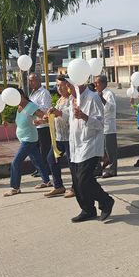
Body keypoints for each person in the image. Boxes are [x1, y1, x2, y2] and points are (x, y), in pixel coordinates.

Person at [68, 80, 115, 222]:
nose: (64, 88)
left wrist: (84, 116)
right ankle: (88, 209)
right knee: (77, 182)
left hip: (90, 145)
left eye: (67, 85)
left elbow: (100, 124)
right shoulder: (72, 100)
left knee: (84, 180)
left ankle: (106, 201)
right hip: (75, 146)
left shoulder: (93, 98)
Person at [4, 88, 50, 197]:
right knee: (37, 161)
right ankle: (47, 181)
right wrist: (9, 125)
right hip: (24, 139)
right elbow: (20, 124)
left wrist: (40, 121)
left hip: (29, 139)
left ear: (22, 95)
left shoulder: (30, 106)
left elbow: (45, 117)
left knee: (16, 162)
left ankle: (15, 188)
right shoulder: (19, 107)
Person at [44, 76, 72, 197]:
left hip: (70, 137)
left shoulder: (72, 99)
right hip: (59, 137)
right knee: (51, 159)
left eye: (61, 85)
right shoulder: (60, 100)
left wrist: (58, 113)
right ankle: (58, 186)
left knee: (72, 163)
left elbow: (70, 116)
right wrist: (47, 118)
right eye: (57, 85)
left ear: (68, 86)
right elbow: (57, 117)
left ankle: (75, 187)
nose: (59, 88)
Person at [28, 73, 53, 185]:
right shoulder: (32, 93)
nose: (31, 83)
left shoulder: (44, 93)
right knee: (35, 150)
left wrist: (33, 108)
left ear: (38, 80)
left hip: (43, 125)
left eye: (33, 80)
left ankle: (45, 170)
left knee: (44, 150)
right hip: (35, 125)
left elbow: (46, 109)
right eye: (30, 81)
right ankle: (40, 169)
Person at [93, 75, 118, 178]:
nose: (95, 85)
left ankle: (112, 170)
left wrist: (101, 98)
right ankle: (98, 169)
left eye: (97, 83)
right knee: (98, 148)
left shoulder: (108, 94)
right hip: (98, 125)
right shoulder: (96, 94)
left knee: (110, 149)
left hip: (108, 126)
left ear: (103, 84)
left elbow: (111, 108)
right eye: (94, 83)